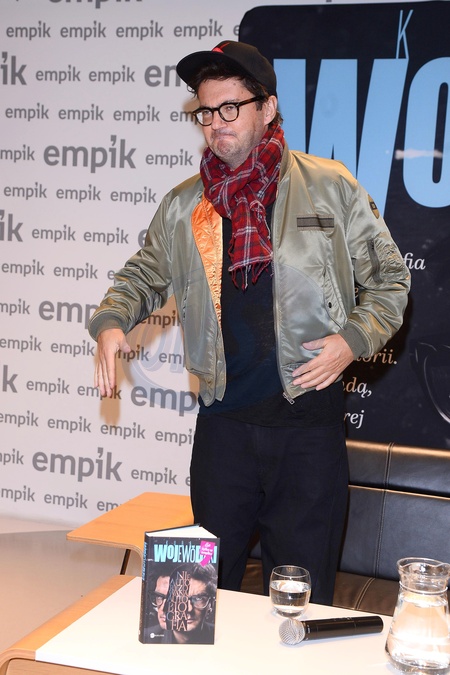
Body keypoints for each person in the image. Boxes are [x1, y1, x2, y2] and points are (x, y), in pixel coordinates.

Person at [88, 40, 410, 605]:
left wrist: (352, 340)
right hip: (222, 429)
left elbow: (390, 280)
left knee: (300, 605)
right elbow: (143, 274)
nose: (217, 123)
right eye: (206, 111)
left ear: (268, 107)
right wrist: (112, 320)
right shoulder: (185, 205)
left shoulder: (329, 185)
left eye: (231, 107)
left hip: (307, 429)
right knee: (194, 602)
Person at [143, 563, 217, 644]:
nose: (189, 609)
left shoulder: (219, 637)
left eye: (198, 598)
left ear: (211, 604)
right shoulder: (147, 637)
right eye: (160, 596)